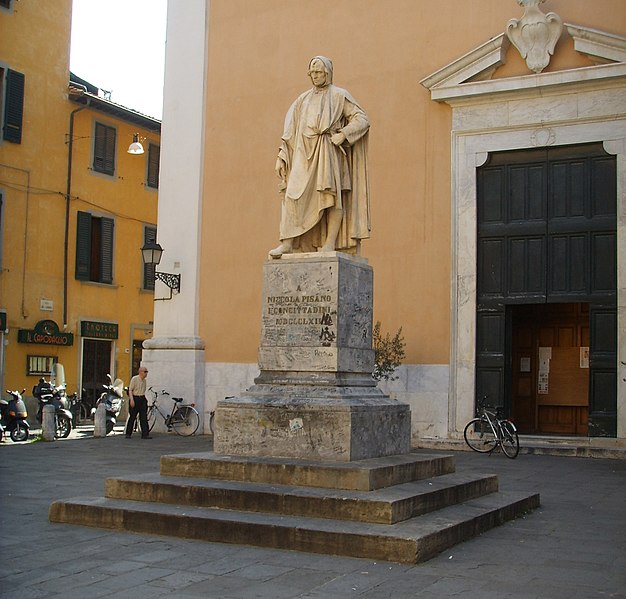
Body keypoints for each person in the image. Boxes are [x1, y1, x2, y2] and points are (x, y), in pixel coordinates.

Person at [269, 56, 371, 257]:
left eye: (319, 72)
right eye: (312, 73)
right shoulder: (303, 100)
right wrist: (282, 156)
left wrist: (343, 134)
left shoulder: (340, 95)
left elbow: (362, 119)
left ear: (328, 73)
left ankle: (329, 243)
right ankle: (288, 242)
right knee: (292, 195)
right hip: (302, 153)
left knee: (331, 197)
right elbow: (290, 131)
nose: (315, 76)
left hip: (328, 151)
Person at [125, 366, 151, 439]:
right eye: (145, 372)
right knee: (132, 417)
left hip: (142, 398)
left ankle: (145, 434)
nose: (146, 374)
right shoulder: (135, 379)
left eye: (147, 372)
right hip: (135, 398)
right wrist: (132, 400)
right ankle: (128, 433)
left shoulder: (144, 381)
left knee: (143, 417)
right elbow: (130, 390)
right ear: (140, 372)